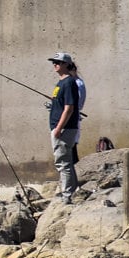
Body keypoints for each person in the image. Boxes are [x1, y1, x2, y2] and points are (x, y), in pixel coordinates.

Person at [48, 51, 83, 205]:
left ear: (66, 64)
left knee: (63, 162)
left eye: (58, 62)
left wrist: (59, 128)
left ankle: (67, 195)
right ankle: (73, 190)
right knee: (65, 160)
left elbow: (69, 108)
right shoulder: (61, 83)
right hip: (60, 127)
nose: (55, 64)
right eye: (54, 62)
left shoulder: (69, 83)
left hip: (64, 129)